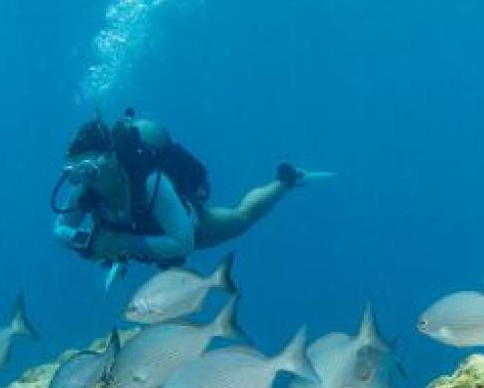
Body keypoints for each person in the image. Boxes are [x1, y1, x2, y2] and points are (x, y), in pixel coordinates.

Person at [51, 110, 317, 273]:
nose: (84, 178)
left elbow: (183, 242)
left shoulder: (151, 182)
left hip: (187, 227)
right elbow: (59, 229)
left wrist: (121, 243)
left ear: (111, 158)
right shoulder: (88, 188)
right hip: (137, 238)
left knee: (241, 218)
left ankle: (286, 182)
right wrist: (88, 242)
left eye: (88, 168)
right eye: (74, 171)